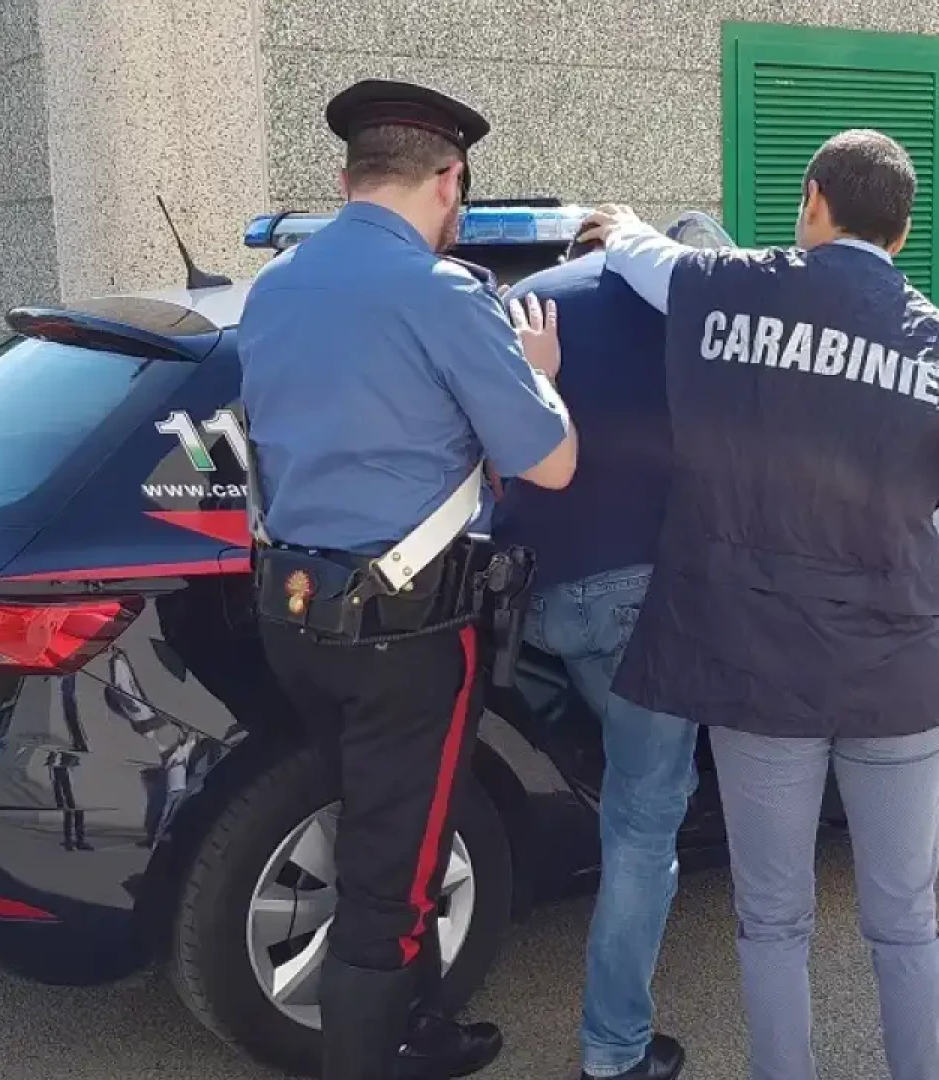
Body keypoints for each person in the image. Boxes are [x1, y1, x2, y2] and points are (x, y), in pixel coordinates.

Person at [575, 131, 939, 1080]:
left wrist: (618, 226)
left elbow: (655, 263)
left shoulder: (741, 286)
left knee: (772, 918)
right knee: (906, 919)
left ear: (814, 201)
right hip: (895, 672)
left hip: (760, 668)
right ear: (902, 233)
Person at [237, 79, 579, 1080]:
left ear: (347, 180)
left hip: (294, 617)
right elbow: (550, 462)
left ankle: (420, 1030)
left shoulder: (276, 288)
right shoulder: (442, 295)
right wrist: (540, 372)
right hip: (408, 639)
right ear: (449, 182)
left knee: (383, 836)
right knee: (387, 889)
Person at [491, 227, 709, 1080]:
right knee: (642, 826)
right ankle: (615, 1052)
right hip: (632, 598)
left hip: (528, 592)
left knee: (615, 778)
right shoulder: (684, 309)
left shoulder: (525, 303)